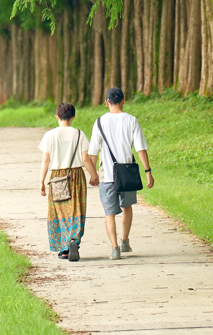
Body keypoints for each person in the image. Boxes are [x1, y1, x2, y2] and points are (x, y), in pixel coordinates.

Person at [88, 86, 154, 260]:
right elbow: (141, 149)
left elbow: (93, 152)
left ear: (106, 102)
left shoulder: (100, 122)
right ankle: (125, 241)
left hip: (107, 176)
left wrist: (93, 174)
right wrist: (148, 172)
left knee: (109, 213)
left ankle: (114, 248)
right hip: (127, 174)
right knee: (127, 207)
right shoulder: (131, 120)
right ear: (124, 100)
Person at [39, 102, 98, 261]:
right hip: (77, 176)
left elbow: (46, 160)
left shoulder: (49, 135)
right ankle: (74, 240)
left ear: (57, 117)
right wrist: (94, 176)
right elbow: (85, 159)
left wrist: (41, 182)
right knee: (76, 210)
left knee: (59, 211)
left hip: (57, 177)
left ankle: (64, 249)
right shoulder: (79, 134)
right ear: (73, 117)